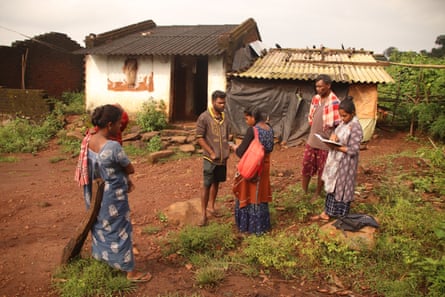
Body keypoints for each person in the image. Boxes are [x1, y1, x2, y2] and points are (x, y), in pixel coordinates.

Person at [74, 104, 151, 282]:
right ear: (109, 125)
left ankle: (103, 257)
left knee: (100, 225)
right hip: (113, 197)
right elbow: (130, 168)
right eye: (118, 124)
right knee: (120, 230)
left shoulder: (89, 138)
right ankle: (130, 271)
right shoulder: (112, 147)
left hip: (94, 193)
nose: (119, 128)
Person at [311, 96, 363, 221]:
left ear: (353, 113)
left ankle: (340, 215)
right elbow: (338, 135)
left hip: (346, 163)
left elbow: (353, 150)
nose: (342, 118)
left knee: (341, 187)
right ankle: (328, 212)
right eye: (341, 116)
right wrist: (334, 137)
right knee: (333, 186)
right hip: (336, 161)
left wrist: (336, 147)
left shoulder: (355, 127)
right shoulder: (344, 123)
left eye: (345, 116)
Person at [231, 108, 274, 235]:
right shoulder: (269, 129)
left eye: (247, 118)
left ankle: (249, 226)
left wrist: (234, 147)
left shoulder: (253, 130)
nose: (246, 121)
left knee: (248, 194)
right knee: (261, 195)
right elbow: (270, 147)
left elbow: (241, 152)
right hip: (264, 166)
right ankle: (262, 226)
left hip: (253, 168)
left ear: (253, 118)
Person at [302, 74, 341, 202]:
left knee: (322, 170)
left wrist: (334, 136)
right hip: (312, 140)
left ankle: (317, 193)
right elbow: (311, 118)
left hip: (325, 143)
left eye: (321, 87)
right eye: (316, 87)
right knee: (306, 166)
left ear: (328, 86)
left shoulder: (335, 102)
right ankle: (304, 191)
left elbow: (339, 124)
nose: (318, 89)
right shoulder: (315, 99)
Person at [196, 90, 231, 226]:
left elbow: (227, 136)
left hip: (222, 159)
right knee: (207, 184)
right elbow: (199, 137)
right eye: (220, 102)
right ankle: (203, 214)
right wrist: (211, 152)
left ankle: (212, 207)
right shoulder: (204, 117)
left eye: (224, 102)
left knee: (217, 183)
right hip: (210, 159)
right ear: (213, 102)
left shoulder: (225, 118)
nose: (223, 105)